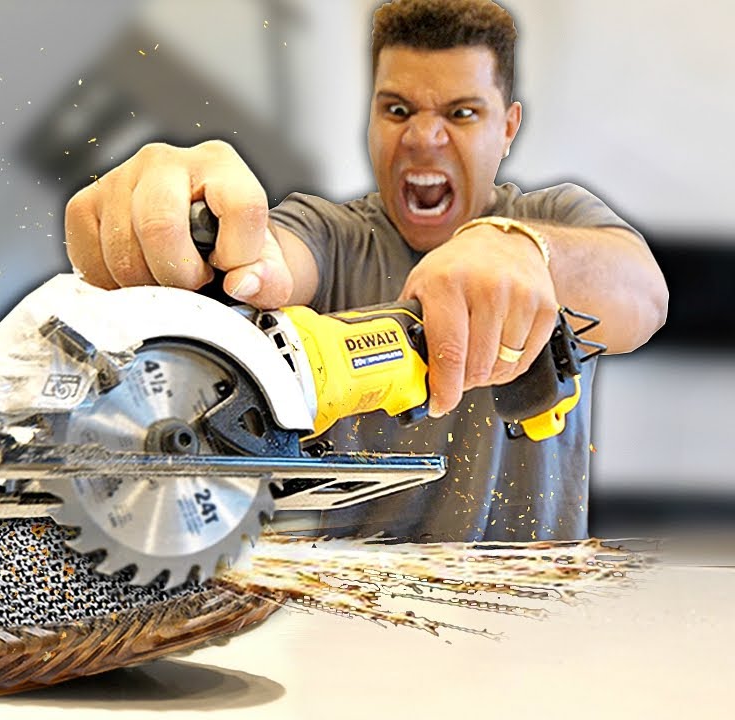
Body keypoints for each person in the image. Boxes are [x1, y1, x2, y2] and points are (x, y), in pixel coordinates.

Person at [62, 0, 668, 542]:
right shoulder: (329, 232)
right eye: (398, 109)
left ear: (507, 127)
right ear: (371, 117)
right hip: (352, 614)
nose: (424, 137)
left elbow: (645, 297)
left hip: (537, 609)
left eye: (461, 113)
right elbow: (273, 257)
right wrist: (203, 227)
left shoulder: (554, 217)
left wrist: (522, 248)